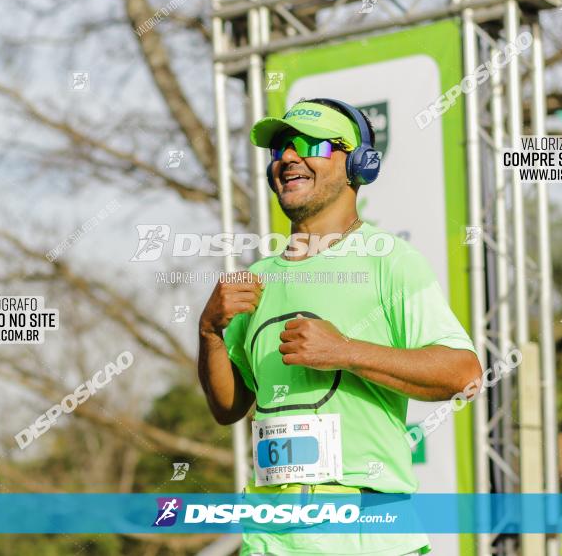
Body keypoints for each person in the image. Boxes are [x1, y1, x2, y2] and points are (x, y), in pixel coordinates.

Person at [198, 98, 482, 555]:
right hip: (269, 537)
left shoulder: (390, 260)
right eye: (279, 149)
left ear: (358, 163)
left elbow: (463, 374)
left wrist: (346, 351)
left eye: (308, 144)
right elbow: (228, 407)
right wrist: (210, 334)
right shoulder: (258, 279)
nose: (288, 157)